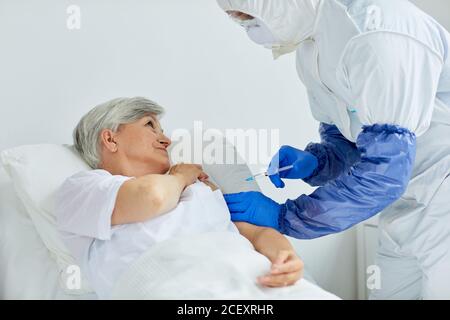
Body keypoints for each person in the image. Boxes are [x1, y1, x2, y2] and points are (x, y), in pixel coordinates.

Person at [217, 0, 450, 299]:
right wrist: (315, 163)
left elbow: (385, 173)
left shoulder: (375, 33)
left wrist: (285, 216)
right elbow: (351, 145)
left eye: (250, 18)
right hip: (404, 207)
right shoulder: (312, 50)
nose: (250, 30)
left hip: (442, 196)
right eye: (240, 21)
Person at [55, 97, 304, 299]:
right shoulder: (85, 187)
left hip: (251, 280)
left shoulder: (198, 187)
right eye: (150, 126)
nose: (166, 139)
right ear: (110, 139)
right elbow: (151, 197)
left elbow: (253, 233)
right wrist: (180, 176)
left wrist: (285, 255)